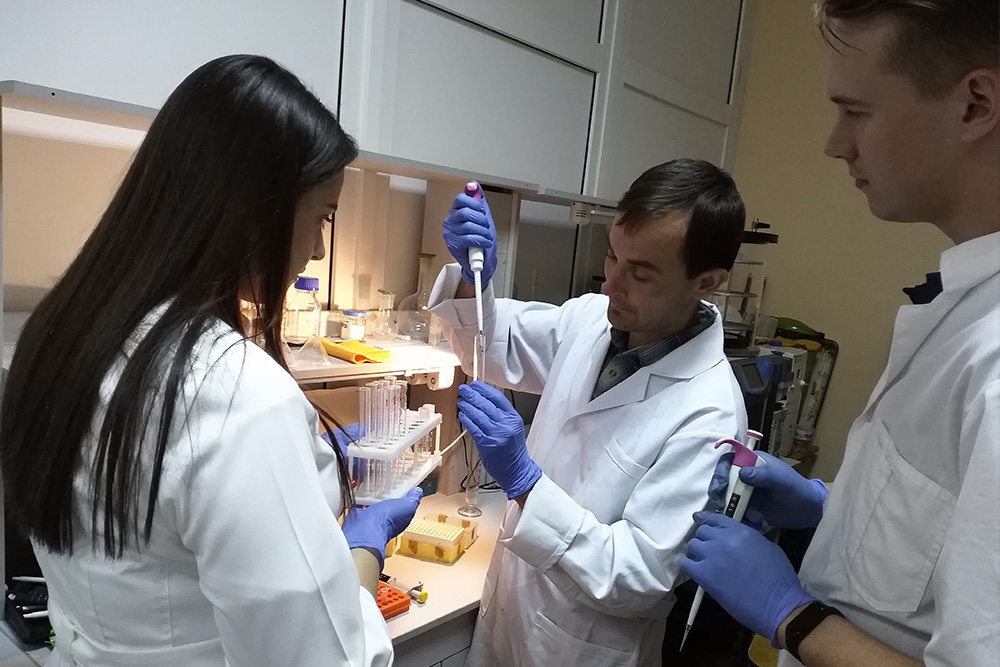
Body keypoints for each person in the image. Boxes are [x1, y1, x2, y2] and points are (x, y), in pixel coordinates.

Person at [0, 55, 422, 666]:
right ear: (256, 215)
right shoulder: (238, 395)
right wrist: (365, 547)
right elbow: (318, 658)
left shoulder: (62, 336)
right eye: (321, 218)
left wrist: (305, 466)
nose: (317, 248)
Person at [679, 1, 999, 666]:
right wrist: (827, 510)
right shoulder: (964, 302)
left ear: (975, 105)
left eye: (857, 111)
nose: (835, 143)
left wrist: (791, 615)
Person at [429, 159, 749, 666]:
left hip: (584, 648)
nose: (611, 285)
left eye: (640, 273)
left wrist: (526, 484)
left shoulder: (709, 413)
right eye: (613, 255)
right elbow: (489, 347)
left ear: (706, 281)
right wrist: (473, 279)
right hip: (510, 613)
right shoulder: (591, 320)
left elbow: (640, 578)